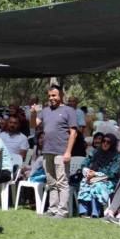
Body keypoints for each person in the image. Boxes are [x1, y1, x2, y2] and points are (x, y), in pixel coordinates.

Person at [33, 85, 77, 220]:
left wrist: (68, 152)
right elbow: (33, 125)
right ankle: (52, 209)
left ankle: (62, 212)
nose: (51, 98)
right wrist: (34, 113)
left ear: (61, 96)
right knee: (51, 182)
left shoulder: (69, 111)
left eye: (54, 95)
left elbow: (73, 132)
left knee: (62, 182)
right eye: (50, 96)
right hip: (47, 151)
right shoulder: (45, 111)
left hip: (61, 151)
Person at [76, 133, 120, 218]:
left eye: (108, 142)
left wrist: (96, 174)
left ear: (113, 144)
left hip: (108, 180)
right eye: (104, 141)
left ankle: (95, 211)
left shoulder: (116, 156)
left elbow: (112, 173)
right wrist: (88, 172)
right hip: (92, 176)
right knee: (84, 182)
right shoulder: (95, 152)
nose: (105, 143)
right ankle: (83, 211)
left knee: (97, 185)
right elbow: (84, 164)